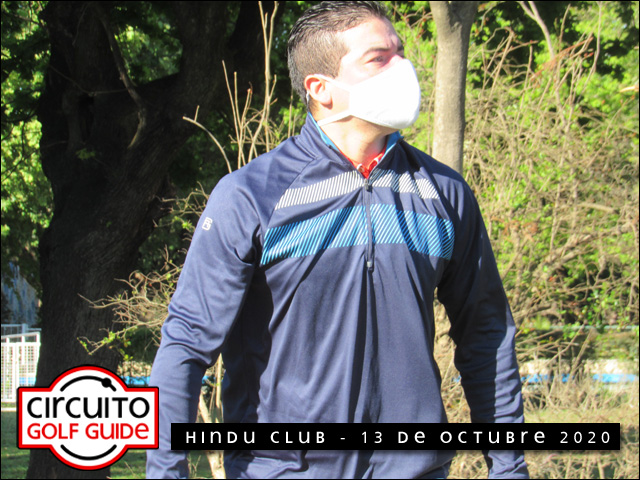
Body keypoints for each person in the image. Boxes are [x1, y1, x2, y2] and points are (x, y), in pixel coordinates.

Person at [147, 1, 529, 478]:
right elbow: (186, 343)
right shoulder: (251, 196)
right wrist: (166, 471)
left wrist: (509, 467)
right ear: (320, 89)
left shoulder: (445, 193)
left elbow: (486, 334)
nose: (403, 69)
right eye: (378, 58)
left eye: (400, 53)